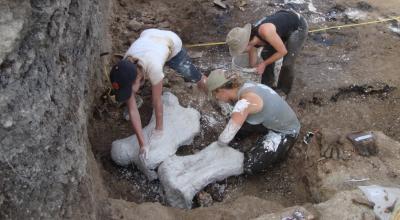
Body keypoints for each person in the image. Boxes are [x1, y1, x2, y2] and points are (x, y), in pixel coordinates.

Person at [110, 28, 207, 160]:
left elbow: (157, 101)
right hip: (148, 37)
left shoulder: (154, 67)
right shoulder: (124, 68)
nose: (129, 93)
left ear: (137, 78)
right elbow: (132, 110)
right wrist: (142, 144)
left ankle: (208, 85)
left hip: (170, 42)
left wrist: (159, 129)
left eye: (129, 89)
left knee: (191, 74)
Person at [206, 69, 300, 174]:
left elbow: (225, 138)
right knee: (236, 127)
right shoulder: (243, 86)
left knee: (249, 165)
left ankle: (280, 151)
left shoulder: (245, 103)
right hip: (272, 119)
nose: (217, 98)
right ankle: (258, 133)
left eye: (215, 94)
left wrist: (216, 149)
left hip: (286, 131)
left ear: (221, 90)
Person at [226, 10, 308, 95]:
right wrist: (253, 69)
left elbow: (283, 52)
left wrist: (264, 64)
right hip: (280, 25)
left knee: (287, 63)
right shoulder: (250, 39)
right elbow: (252, 61)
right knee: (266, 54)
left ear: (247, 43)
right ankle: (267, 85)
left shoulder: (265, 31)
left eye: (241, 49)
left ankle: (283, 90)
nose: (241, 51)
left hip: (297, 26)